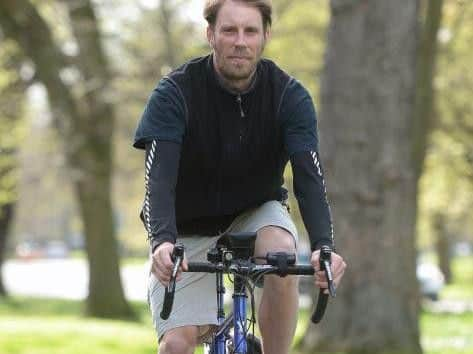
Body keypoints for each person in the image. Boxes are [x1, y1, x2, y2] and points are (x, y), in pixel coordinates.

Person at [133, 1, 346, 353]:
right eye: (229, 30)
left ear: (265, 37)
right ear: (210, 35)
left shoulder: (288, 97)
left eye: (250, 31)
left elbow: (309, 179)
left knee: (281, 254)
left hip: (255, 210)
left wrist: (324, 246)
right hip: (186, 228)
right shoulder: (174, 94)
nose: (240, 41)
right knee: (175, 347)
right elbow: (158, 180)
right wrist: (162, 242)